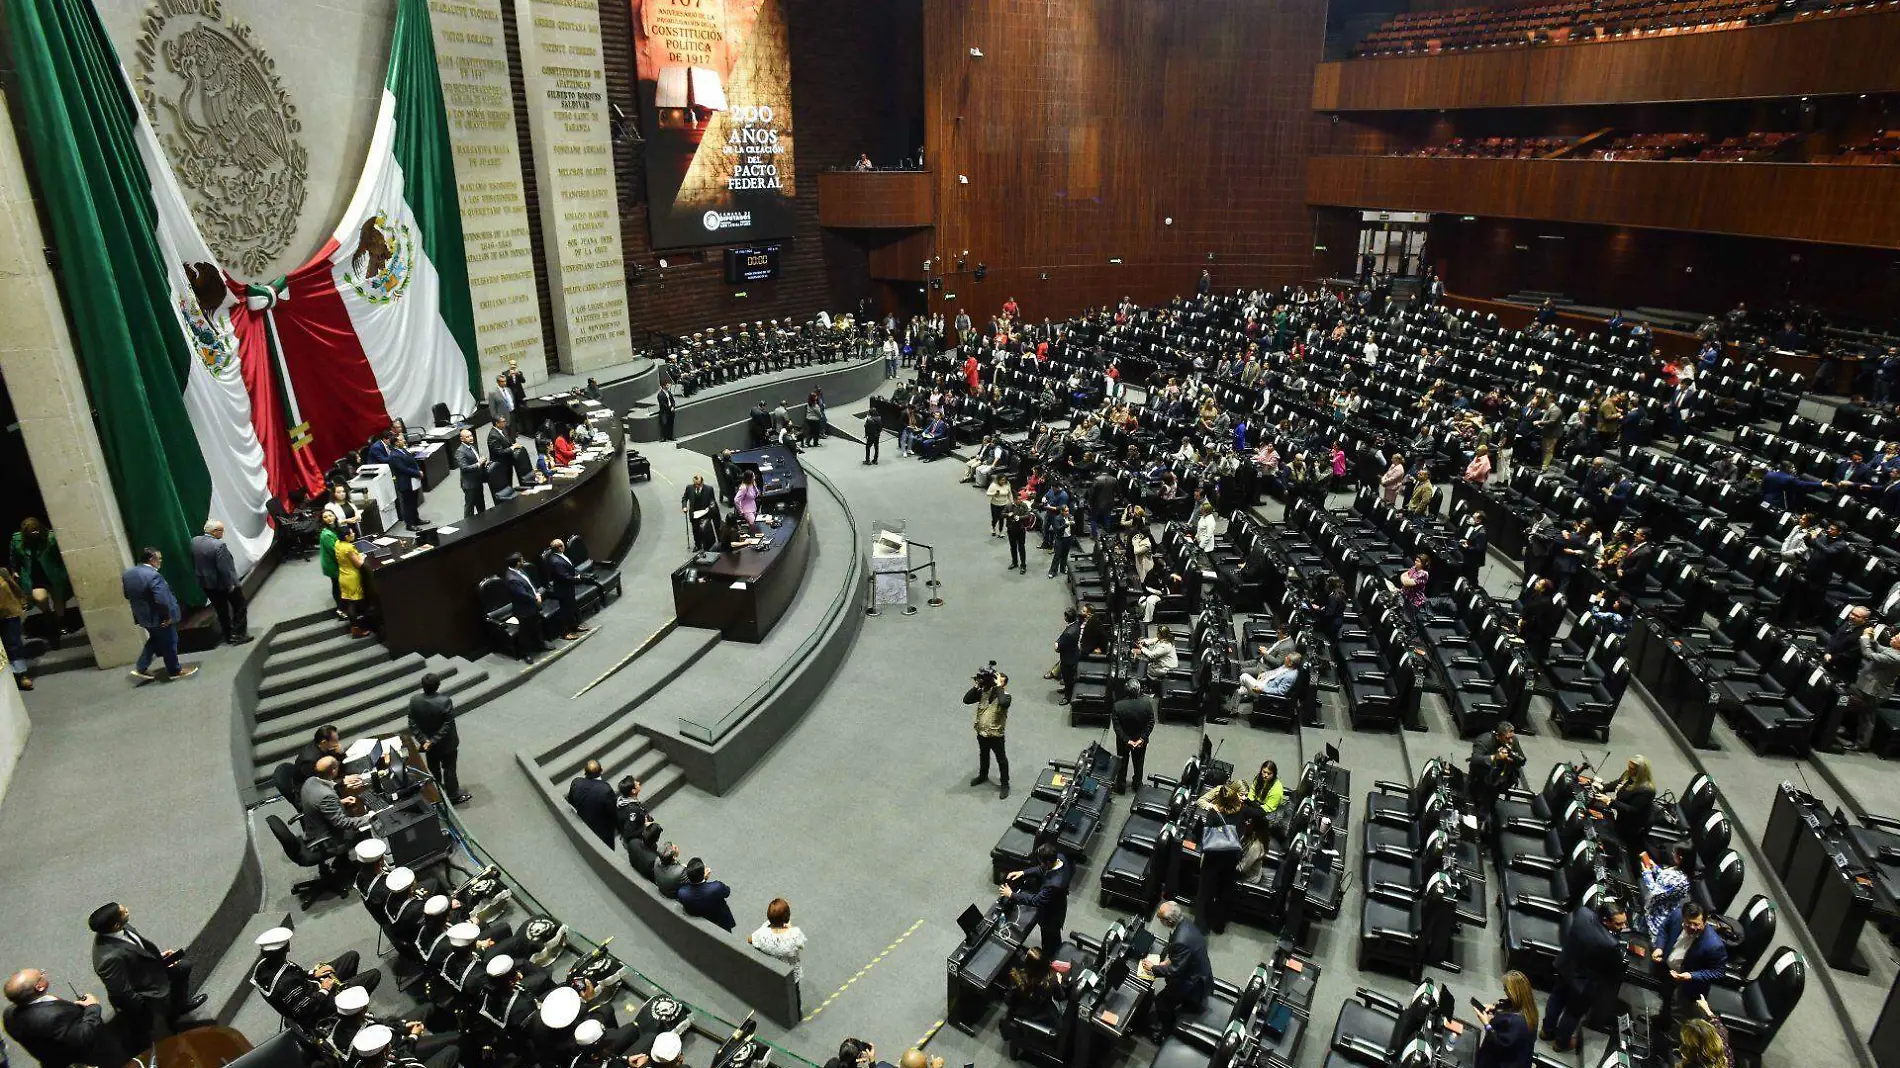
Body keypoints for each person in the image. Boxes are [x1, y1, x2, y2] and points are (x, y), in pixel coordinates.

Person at [88, 902, 201, 1049]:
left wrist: (158, 958)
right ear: (115, 925)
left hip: (150, 971)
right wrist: (143, 1005)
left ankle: (178, 1009)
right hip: (144, 992)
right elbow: (122, 992)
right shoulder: (108, 959)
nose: (127, 910)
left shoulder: (121, 927)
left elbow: (137, 948)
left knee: (183, 968)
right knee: (146, 1032)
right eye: (123, 912)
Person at [1540, 901, 1629, 1053]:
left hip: (1565, 967)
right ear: (1605, 920)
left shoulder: (1582, 913)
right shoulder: (1610, 944)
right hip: (1582, 984)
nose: (1623, 927)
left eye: (1624, 923)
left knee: (1556, 998)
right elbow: (1614, 971)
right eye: (1619, 924)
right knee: (1572, 1013)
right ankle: (1561, 1043)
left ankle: (1546, 1031)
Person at [3, 969, 126, 1068]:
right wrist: (93, 1007)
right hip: (78, 1057)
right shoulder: (54, 1017)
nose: (44, 973)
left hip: (52, 1059)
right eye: (41, 974)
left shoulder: (8, 1015)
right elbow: (84, 1036)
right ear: (39, 986)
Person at [1652, 902, 1728, 1041]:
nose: (1692, 927)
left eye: (1697, 924)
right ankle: (1662, 1022)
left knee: (1679, 1015)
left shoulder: (1714, 945)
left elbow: (1718, 972)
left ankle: (1672, 1041)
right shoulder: (1676, 915)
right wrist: (1660, 947)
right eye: (1689, 923)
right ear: (1683, 918)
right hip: (1668, 972)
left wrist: (1691, 976)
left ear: (1705, 922)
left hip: (1688, 985)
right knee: (1666, 999)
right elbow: (1664, 929)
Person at [122, 548, 197, 682]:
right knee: (170, 641)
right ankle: (175, 670)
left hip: (143, 617)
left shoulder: (128, 574)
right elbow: (161, 599)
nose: (161, 562)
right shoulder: (153, 576)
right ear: (152, 560)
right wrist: (167, 617)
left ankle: (141, 667)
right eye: (159, 559)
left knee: (155, 640)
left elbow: (127, 595)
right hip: (159, 618)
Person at [1147, 902, 1211, 1039]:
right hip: (1197, 972)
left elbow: (1174, 971)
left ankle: (1165, 1032)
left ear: (1169, 921)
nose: (1159, 921)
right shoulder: (1184, 922)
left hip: (1193, 984)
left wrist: (1152, 969)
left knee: (1161, 1001)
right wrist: (1167, 961)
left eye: (1161, 919)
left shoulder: (1181, 940)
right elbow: (1180, 956)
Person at [407, 673, 469, 804]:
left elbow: (411, 722)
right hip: (446, 744)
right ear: (438, 685)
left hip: (427, 746)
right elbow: (447, 724)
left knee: (433, 769)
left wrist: (424, 741)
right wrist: (432, 741)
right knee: (449, 769)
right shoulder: (444, 701)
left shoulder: (414, 700)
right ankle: (453, 795)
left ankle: (436, 794)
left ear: (422, 685)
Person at [1000, 843, 1070, 952]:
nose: (1040, 864)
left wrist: (1011, 894)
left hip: (1052, 916)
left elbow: (1036, 900)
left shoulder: (1054, 885)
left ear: (1047, 862)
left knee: (1050, 943)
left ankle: (1049, 961)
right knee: (1054, 940)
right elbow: (1042, 869)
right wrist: (1023, 873)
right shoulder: (1060, 858)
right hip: (1057, 904)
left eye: (1041, 862)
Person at [190, 520, 251, 645]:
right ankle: (239, 634)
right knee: (239, 606)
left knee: (221, 610)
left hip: (206, 584)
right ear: (214, 532)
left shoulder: (194, 541)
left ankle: (228, 635)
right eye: (221, 530)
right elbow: (225, 569)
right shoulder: (219, 546)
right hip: (222, 584)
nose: (223, 533)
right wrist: (231, 585)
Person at [1845, 624, 1900, 750]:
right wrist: (1872, 638)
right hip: (1869, 687)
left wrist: (1864, 637)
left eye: (1896, 638)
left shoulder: (1896, 657)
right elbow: (1880, 648)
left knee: (1867, 718)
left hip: (1875, 691)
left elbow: (1868, 654)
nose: (1892, 638)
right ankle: (1855, 736)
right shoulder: (1893, 651)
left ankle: (1862, 744)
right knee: (1861, 714)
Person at [1595, 755, 1656, 860]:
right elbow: (1619, 784)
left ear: (1640, 771)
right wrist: (1603, 787)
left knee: (1617, 844)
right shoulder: (1628, 774)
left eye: (1632, 769)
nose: (1629, 770)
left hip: (1632, 825)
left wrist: (1610, 801)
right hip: (1621, 816)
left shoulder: (1646, 790)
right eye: (1629, 767)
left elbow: (1632, 810)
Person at [1468, 722, 1525, 833]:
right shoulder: (1484, 740)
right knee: (1478, 807)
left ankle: (1487, 822)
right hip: (1482, 778)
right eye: (1508, 738)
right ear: (1498, 736)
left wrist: (1513, 760)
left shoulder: (1513, 740)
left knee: (1490, 803)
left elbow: (1521, 759)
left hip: (1502, 779)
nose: (1511, 741)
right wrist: (1495, 757)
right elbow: (1475, 760)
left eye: (1512, 737)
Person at [965, 666, 1013, 799]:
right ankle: (983, 775)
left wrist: (998, 687)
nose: (996, 682)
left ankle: (1005, 785)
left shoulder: (1006, 697)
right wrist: (977, 686)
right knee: (983, 755)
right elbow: (966, 700)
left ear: (1004, 684)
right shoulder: (984, 692)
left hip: (996, 735)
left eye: (1000, 681)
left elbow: (1003, 703)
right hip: (982, 733)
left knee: (1001, 760)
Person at [1475, 970, 1537, 1068]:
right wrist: (1495, 1008)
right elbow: (1509, 1005)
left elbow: (1499, 1044)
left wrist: (1486, 1023)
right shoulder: (1530, 1010)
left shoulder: (1516, 1023)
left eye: (1506, 990)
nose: (1505, 992)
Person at [302, 756, 371, 841]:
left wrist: (340, 802)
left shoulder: (310, 780)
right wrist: (371, 818)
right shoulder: (326, 795)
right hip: (328, 837)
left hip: (315, 825)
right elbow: (343, 823)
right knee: (372, 828)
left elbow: (318, 803)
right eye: (337, 765)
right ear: (333, 770)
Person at [747, 899, 807, 985]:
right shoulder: (795, 934)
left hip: (773, 970)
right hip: (790, 973)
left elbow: (750, 940)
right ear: (787, 917)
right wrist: (790, 928)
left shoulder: (761, 933)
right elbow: (801, 945)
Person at [1110, 679, 1155, 794]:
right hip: (1140, 740)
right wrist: (1142, 739)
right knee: (1139, 763)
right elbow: (1150, 723)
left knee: (1122, 763)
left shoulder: (1118, 706)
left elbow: (1117, 727)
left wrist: (1127, 740)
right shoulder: (1147, 704)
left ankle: (1120, 786)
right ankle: (1137, 785)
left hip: (1123, 741)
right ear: (1139, 690)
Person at [502, 552, 548, 661]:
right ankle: (526, 654)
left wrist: (537, 593)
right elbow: (523, 595)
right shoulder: (511, 578)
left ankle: (540, 645)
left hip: (532, 606)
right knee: (525, 633)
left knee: (536, 626)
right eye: (522, 560)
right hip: (523, 610)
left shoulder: (520, 570)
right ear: (517, 563)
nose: (524, 561)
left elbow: (531, 584)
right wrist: (536, 599)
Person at [545, 539, 592, 641]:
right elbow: (565, 577)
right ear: (560, 548)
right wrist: (578, 579)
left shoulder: (559, 556)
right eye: (563, 545)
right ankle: (565, 633)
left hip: (568, 588)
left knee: (571, 609)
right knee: (565, 612)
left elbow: (570, 568)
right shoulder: (556, 561)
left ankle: (574, 626)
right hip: (563, 590)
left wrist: (577, 574)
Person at [567, 759, 617, 848]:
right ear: (601, 770)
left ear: (585, 772)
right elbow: (613, 813)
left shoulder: (576, 782)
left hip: (582, 825)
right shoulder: (606, 790)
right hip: (601, 832)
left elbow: (571, 800)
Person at [0, 566, 35, 691]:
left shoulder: (2, 572)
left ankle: (21, 674)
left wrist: (22, 601)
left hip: (9, 611)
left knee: (13, 643)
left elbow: (14, 588)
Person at [676, 859, 735, 931]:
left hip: (695, 916)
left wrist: (703, 879)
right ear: (704, 873)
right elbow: (727, 892)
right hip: (717, 919)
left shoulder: (682, 892)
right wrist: (705, 879)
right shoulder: (717, 887)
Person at [335, 529, 371, 639]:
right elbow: (359, 564)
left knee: (350, 602)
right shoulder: (349, 548)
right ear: (346, 536)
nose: (353, 534)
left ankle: (354, 627)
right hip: (352, 578)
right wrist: (363, 556)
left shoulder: (338, 543)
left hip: (343, 576)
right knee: (354, 604)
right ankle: (357, 629)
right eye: (351, 533)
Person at [681, 474, 719, 552]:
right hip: (694, 513)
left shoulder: (709, 489)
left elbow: (712, 501)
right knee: (695, 530)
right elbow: (684, 498)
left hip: (705, 513)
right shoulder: (689, 488)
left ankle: (706, 546)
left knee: (705, 529)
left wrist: (711, 508)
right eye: (695, 484)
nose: (696, 486)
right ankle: (697, 545)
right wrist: (684, 506)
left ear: (702, 482)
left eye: (698, 484)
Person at [454, 428, 486, 517]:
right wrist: (479, 463)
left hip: (477, 481)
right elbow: (464, 468)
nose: (471, 438)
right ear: (462, 439)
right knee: (470, 507)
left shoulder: (472, 446)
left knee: (481, 504)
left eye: (471, 436)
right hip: (469, 484)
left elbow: (476, 459)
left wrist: (482, 461)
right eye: (467, 437)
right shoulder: (460, 451)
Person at [1053, 608, 1081, 705]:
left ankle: (1068, 697)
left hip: (1068, 659)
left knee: (1068, 678)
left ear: (1066, 617)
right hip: (1074, 654)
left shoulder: (1068, 633)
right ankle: (1066, 689)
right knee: (1068, 678)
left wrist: (1057, 645)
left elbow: (1058, 648)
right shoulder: (1076, 624)